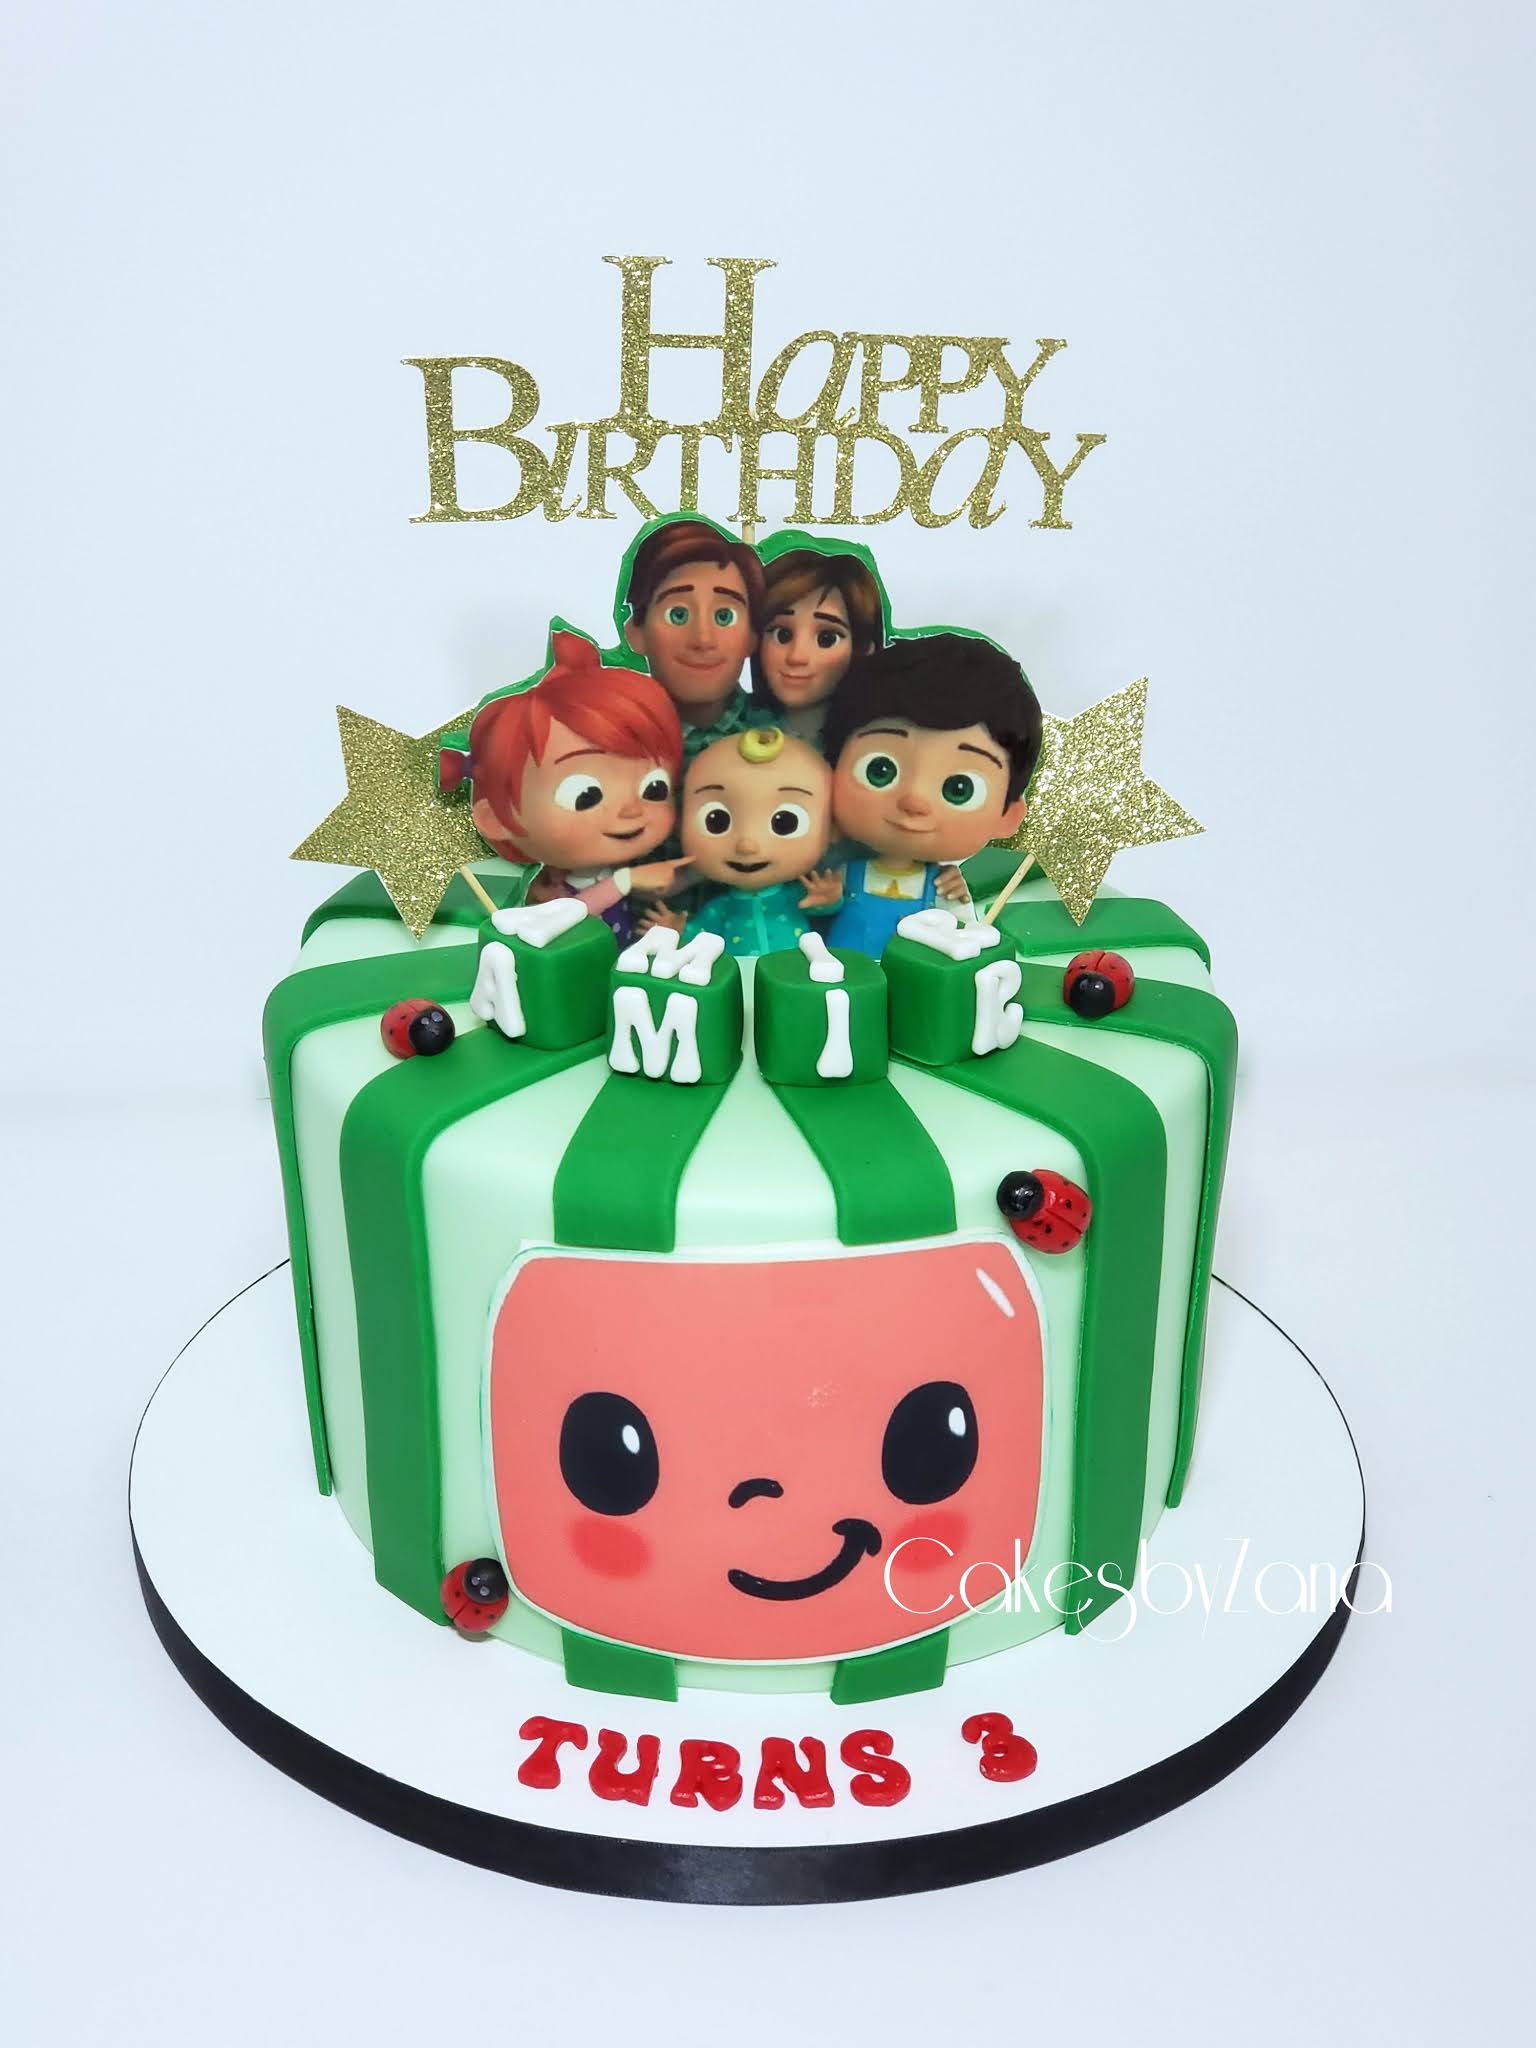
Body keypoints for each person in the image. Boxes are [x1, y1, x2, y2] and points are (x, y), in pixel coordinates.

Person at [441, 628, 689, 948]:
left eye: (654, 788)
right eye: (586, 796)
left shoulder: (618, 870)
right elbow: (572, 914)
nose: (631, 810)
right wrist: (624, 882)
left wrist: (666, 929)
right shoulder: (550, 893)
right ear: (496, 818)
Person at [822, 632, 1042, 958]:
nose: (914, 800)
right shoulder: (848, 873)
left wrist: (958, 898)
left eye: (958, 789)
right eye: (880, 770)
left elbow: (962, 934)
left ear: (1008, 816)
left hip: (918, 977)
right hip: (844, 968)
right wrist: (825, 900)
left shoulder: (941, 884)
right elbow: (820, 913)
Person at [641, 727, 842, 957]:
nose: (747, 845)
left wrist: (830, 898)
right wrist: (678, 931)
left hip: (790, 976)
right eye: (716, 821)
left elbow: (824, 910)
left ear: (833, 827)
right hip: (736, 977)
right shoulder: (720, 908)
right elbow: (700, 934)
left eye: (785, 822)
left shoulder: (797, 896)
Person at [621, 517, 774, 758]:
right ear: (636, 632)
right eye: (678, 615)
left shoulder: (781, 736)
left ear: (753, 636)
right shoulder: (611, 738)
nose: (703, 640)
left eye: (724, 617)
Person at [751, 545, 883, 749]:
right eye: (782, 634)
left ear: (863, 648)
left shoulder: (875, 741)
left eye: (826, 639)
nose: (797, 656)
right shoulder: (730, 731)